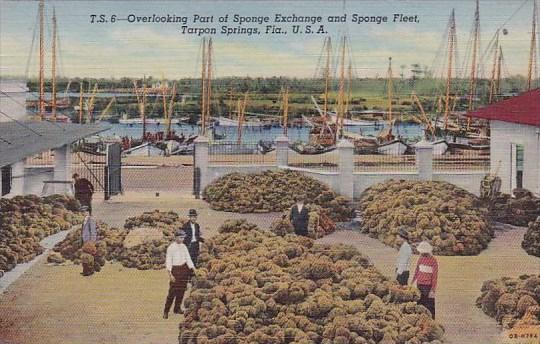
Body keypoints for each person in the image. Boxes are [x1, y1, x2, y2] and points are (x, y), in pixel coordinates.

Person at [164, 230, 195, 319]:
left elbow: (188, 258)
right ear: (176, 237)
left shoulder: (184, 246)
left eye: (183, 238)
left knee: (181, 290)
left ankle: (177, 308)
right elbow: (168, 261)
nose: (182, 239)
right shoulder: (171, 248)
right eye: (181, 237)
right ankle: (166, 311)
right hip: (175, 270)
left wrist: (192, 268)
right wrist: (170, 274)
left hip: (184, 269)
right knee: (172, 292)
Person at [412, 241, 439, 319]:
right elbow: (417, 271)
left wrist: (432, 290)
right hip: (419, 285)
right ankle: (421, 320)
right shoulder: (420, 259)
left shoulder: (433, 260)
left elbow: (434, 276)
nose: (423, 254)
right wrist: (412, 282)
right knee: (420, 304)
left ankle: (431, 320)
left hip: (428, 286)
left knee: (429, 305)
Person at [80, 206, 100, 276]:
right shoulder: (84, 220)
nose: (83, 213)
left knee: (89, 257)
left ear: (88, 212)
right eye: (82, 212)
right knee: (85, 256)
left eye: (84, 211)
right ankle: (85, 270)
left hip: (89, 241)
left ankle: (89, 271)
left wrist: (92, 241)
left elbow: (93, 231)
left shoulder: (91, 220)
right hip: (85, 240)